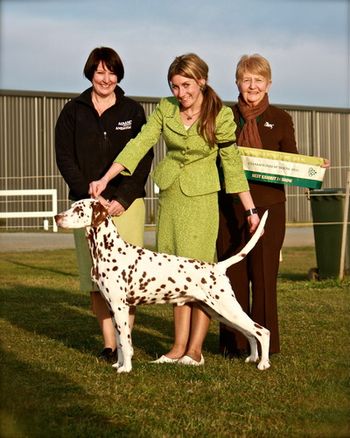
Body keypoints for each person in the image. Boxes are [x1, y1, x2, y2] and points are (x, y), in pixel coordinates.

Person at [89, 53, 260, 366]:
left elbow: (232, 164)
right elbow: (140, 144)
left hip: (202, 199)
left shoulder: (220, 115)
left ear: (201, 81)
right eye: (174, 86)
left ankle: (195, 351)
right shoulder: (165, 108)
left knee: (199, 274)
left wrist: (249, 210)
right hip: (171, 198)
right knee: (172, 274)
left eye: (186, 85)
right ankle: (177, 346)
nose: (180, 93)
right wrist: (106, 177)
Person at [55, 47, 153, 362]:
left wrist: (122, 198)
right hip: (86, 205)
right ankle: (110, 345)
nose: (106, 79)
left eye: (112, 72)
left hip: (125, 205)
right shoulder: (72, 110)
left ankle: (127, 344)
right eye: (100, 72)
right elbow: (65, 158)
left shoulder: (133, 111)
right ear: (90, 74)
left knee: (128, 281)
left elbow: (143, 157)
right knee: (98, 281)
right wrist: (88, 194)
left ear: (118, 75)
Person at [217, 53, 300, 356]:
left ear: (269, 84)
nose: (252, 85)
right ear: (237, 81)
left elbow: (292, 159)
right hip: (228, 207)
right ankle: (235, 344)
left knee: (264, 277)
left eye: (258, 80)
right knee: (232, 275)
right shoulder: (224, 116)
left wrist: (313, 168)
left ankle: (266, 343)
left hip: (270, 206)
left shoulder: (280, 118)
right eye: (246, 79)